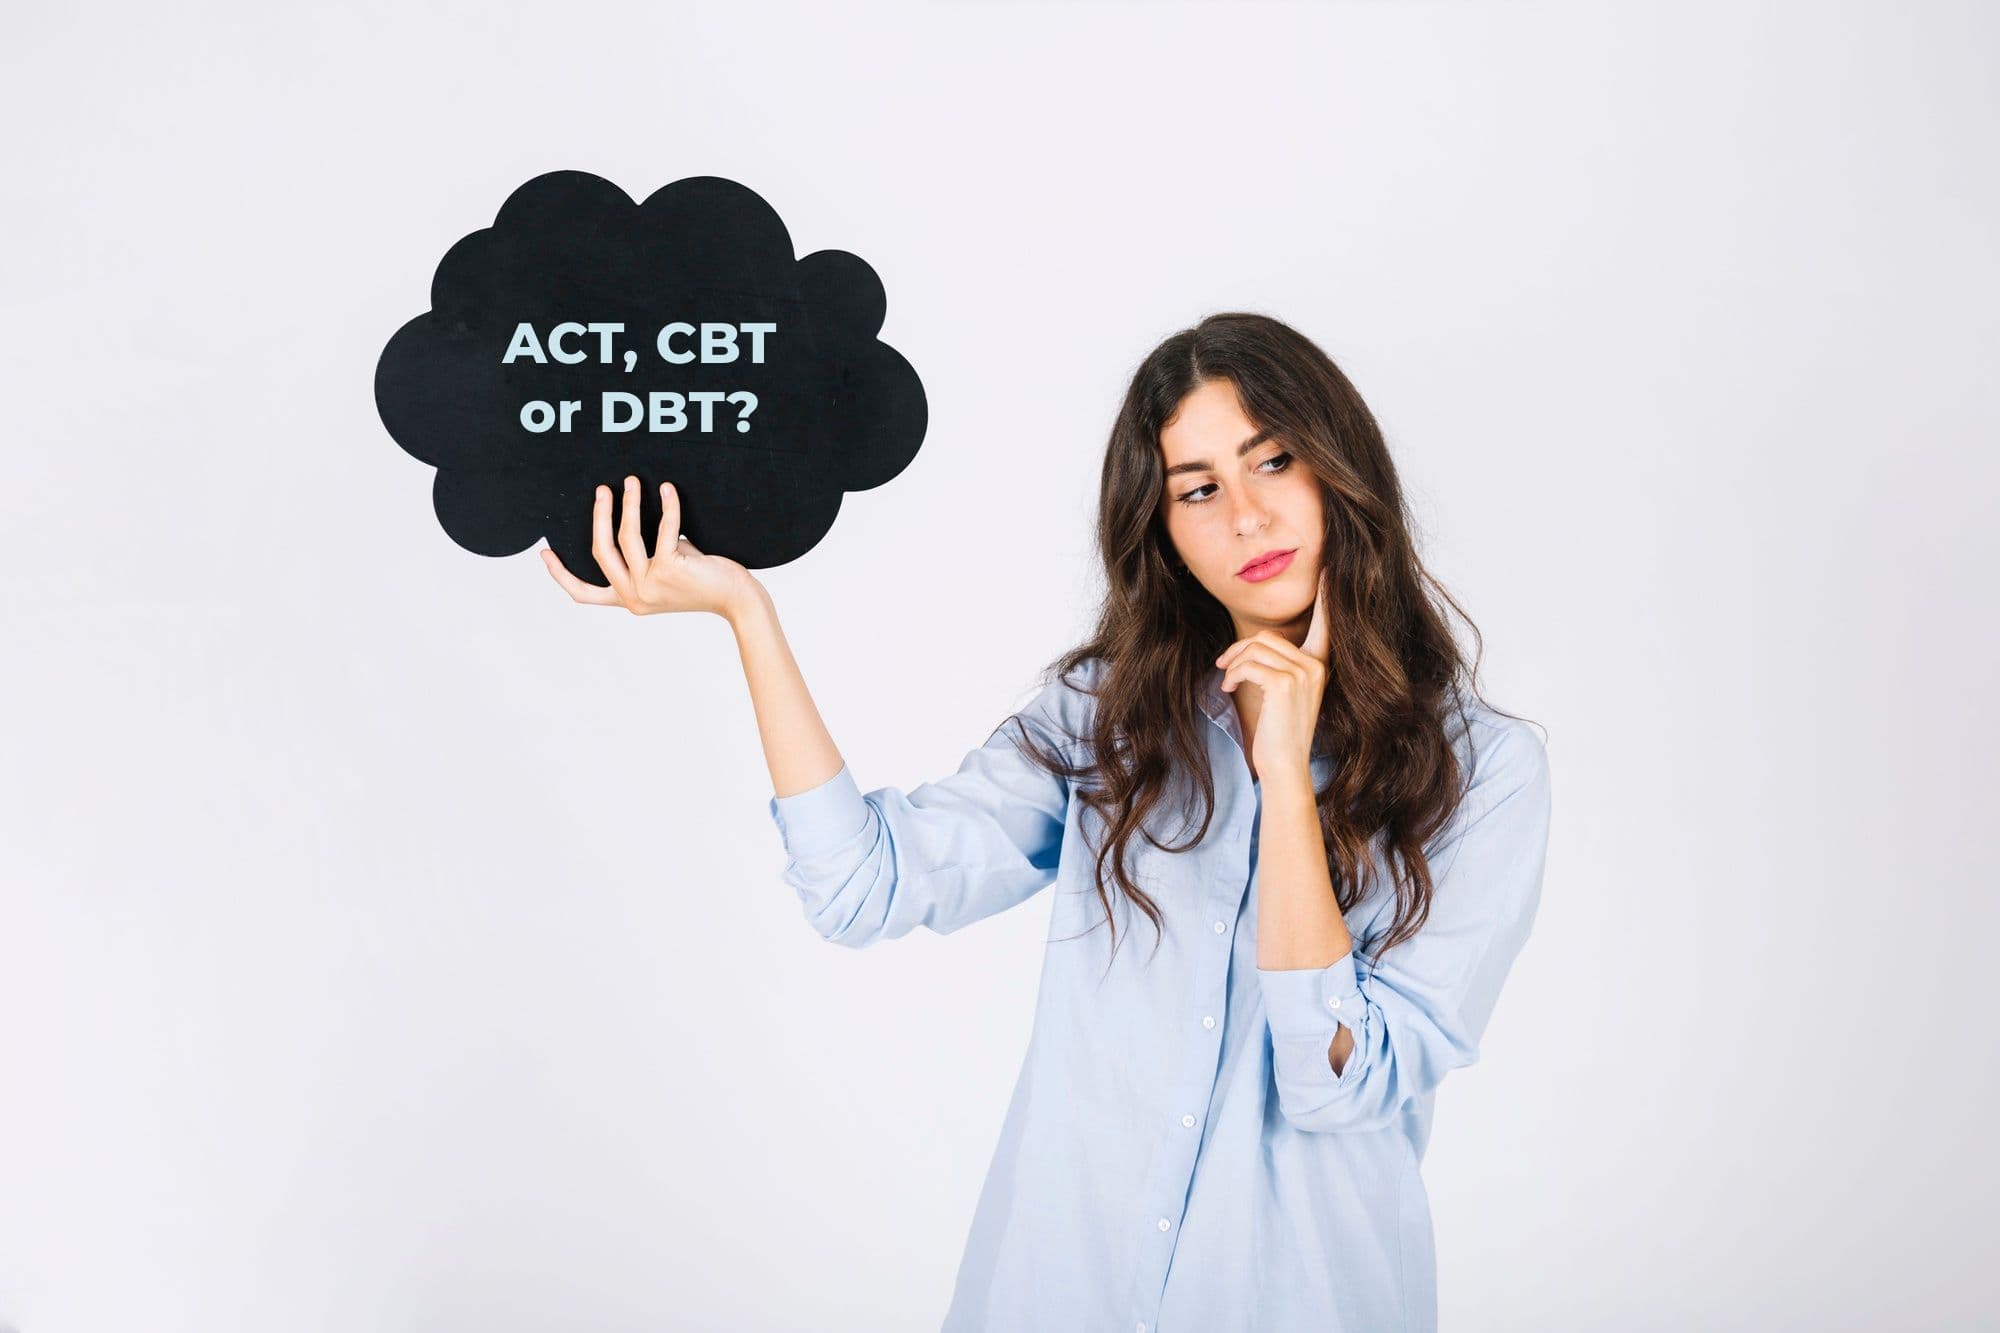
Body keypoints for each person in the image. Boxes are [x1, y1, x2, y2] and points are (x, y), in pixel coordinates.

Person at [541, 312, 1553, 1333]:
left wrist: (1283, 783)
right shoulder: (1105, 718)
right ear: (1160, 528)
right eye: (1196, 488)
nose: (1244, 516)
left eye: (1273, 462)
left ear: (1341, 467)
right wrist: (745, 615)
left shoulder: (1487, 774)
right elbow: (863, 887)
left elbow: (1335, 1086)